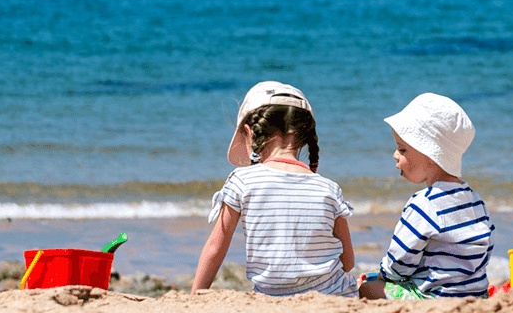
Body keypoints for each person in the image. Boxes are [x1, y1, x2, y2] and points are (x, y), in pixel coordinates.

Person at [193, 82, 357, 296]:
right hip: (334, 296)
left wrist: (195, 295)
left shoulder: (241, 181)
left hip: (271, 297)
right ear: (304, 135)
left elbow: (215, 249)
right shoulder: (329, 188)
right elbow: (348, 261)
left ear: (248, 132)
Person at [359, 93, 493, 299]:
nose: (395, 154)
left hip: (433, 298)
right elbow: (486, 249)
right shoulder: (476, 200)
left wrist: (381, 278)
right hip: (476, 295)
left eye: (402, 149)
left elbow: (400, 261)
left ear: (430, 155)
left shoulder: (424, 203)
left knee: (367, 288)